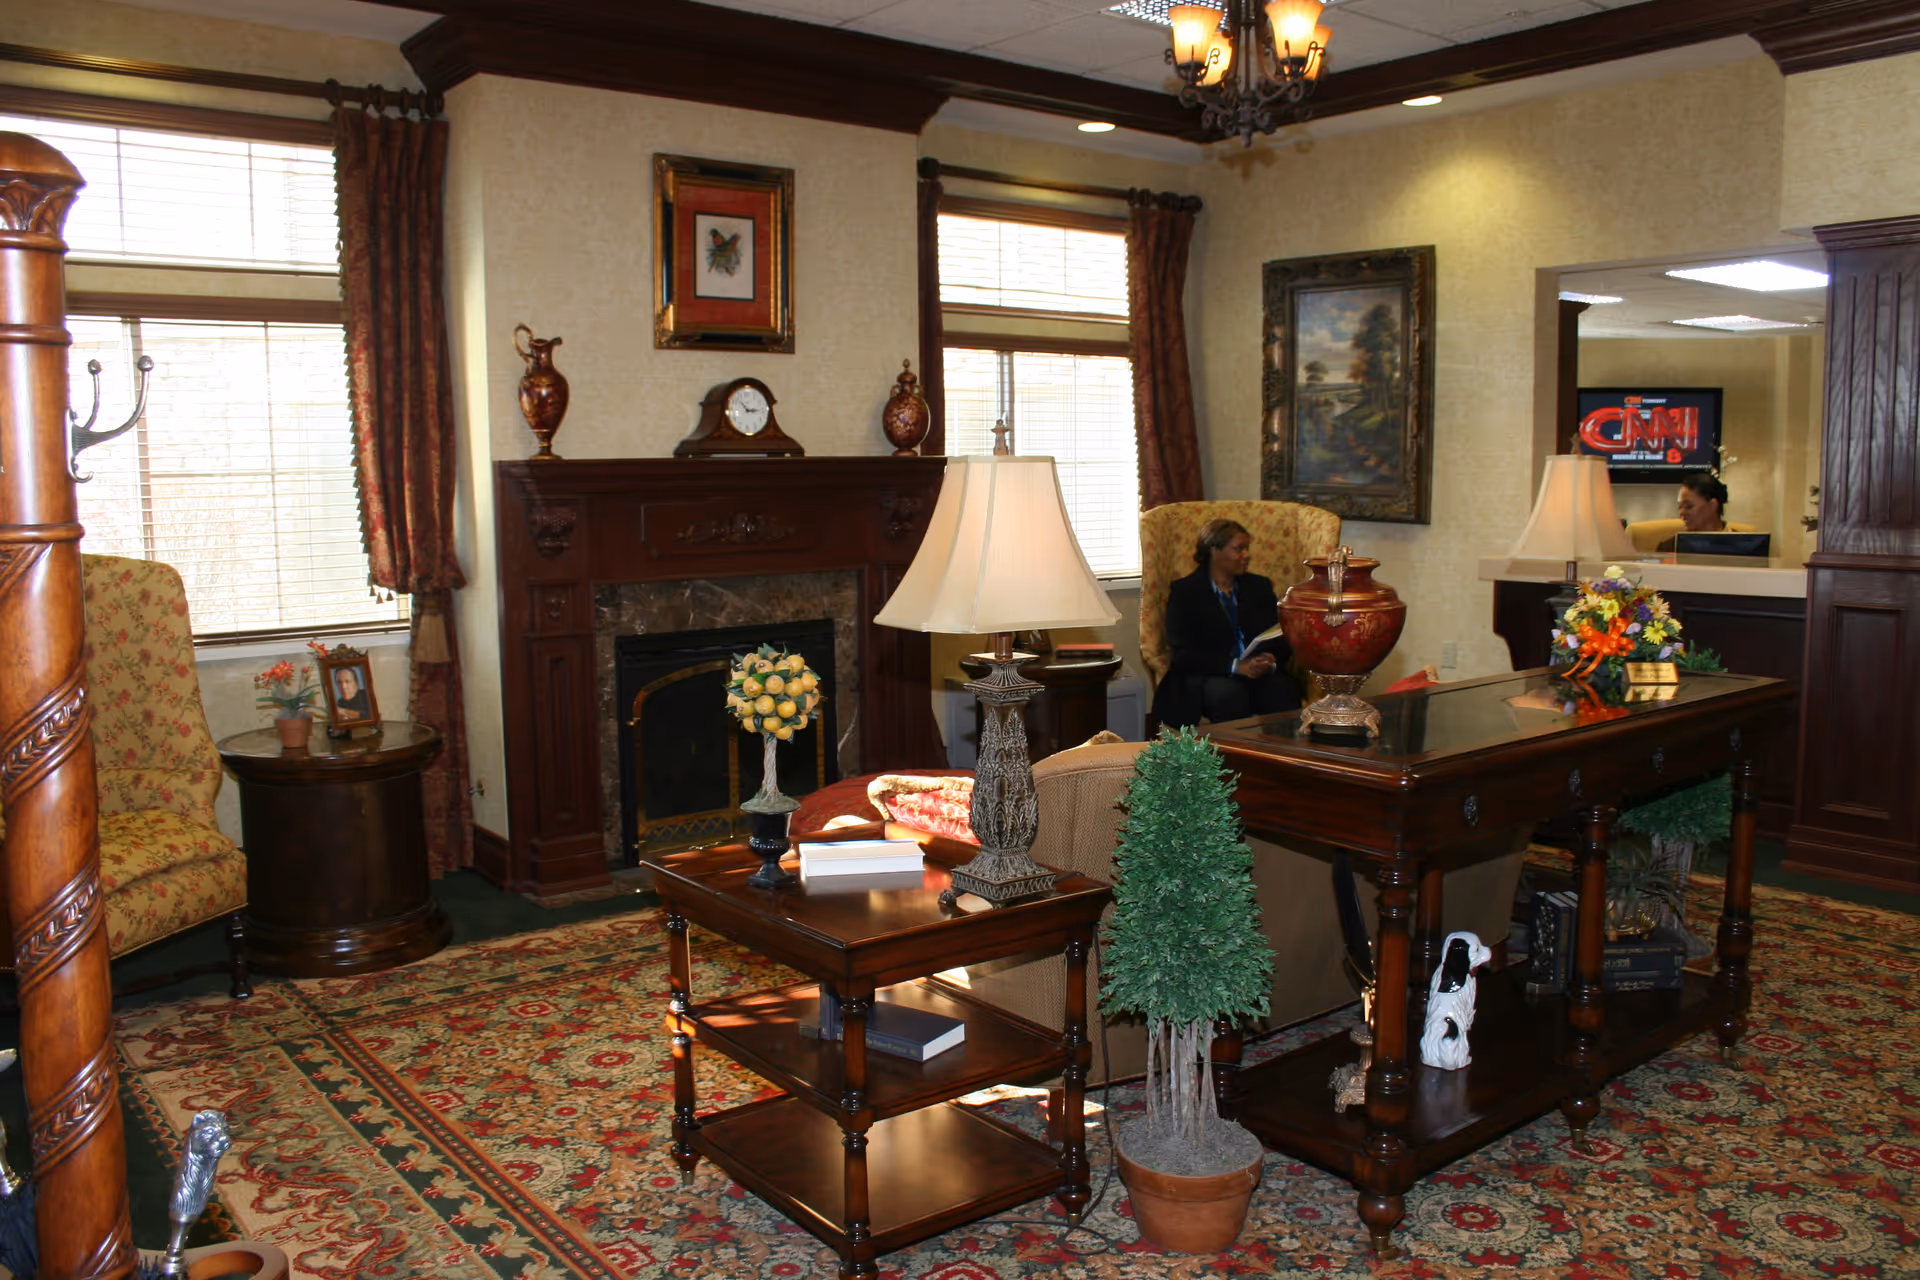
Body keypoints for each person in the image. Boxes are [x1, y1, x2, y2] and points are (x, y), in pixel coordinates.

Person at [1151, 518, 1303, 730]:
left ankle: (1279, 757)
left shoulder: (1259, 586)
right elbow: (1184, 653)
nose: (1246, 555)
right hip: (1206, 675)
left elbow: (1278, 635)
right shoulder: (1186, 592)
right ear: (1214, 550)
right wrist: (1235, 666)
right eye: (1238, 549)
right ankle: (1231, 760)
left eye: (1247, 548)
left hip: (1256, 670)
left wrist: (1270, 658)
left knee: (1283, 688)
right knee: (1230, 694)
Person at [1656, 472, 1731, 551]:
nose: (1682, 512)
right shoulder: (1670, 548)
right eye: (1680, 507)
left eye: (1689, 506)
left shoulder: (1742, 545)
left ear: (1712, 505)